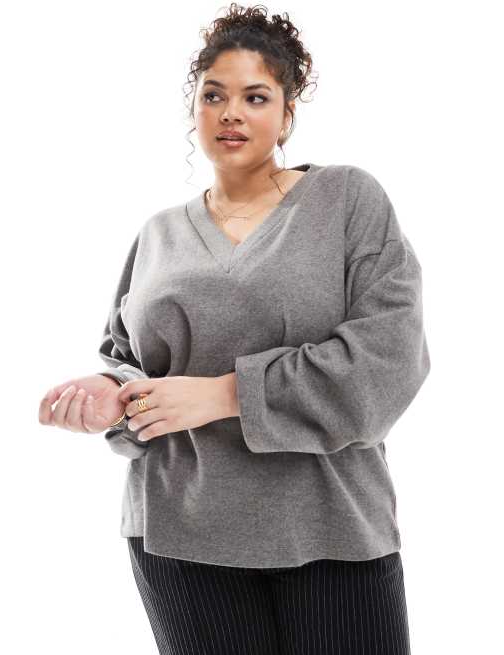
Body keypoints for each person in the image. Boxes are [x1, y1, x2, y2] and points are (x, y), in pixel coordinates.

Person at [38, 3, 431, 654]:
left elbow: (386, 362)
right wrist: (112, 393)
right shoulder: (159, 233)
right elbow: (126, 355)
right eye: (213, 95)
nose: (230, 113)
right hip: (178, 535)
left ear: (287, 113)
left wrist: (224, 394)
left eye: (255, 96)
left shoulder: (346, 201)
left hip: (328, 531)